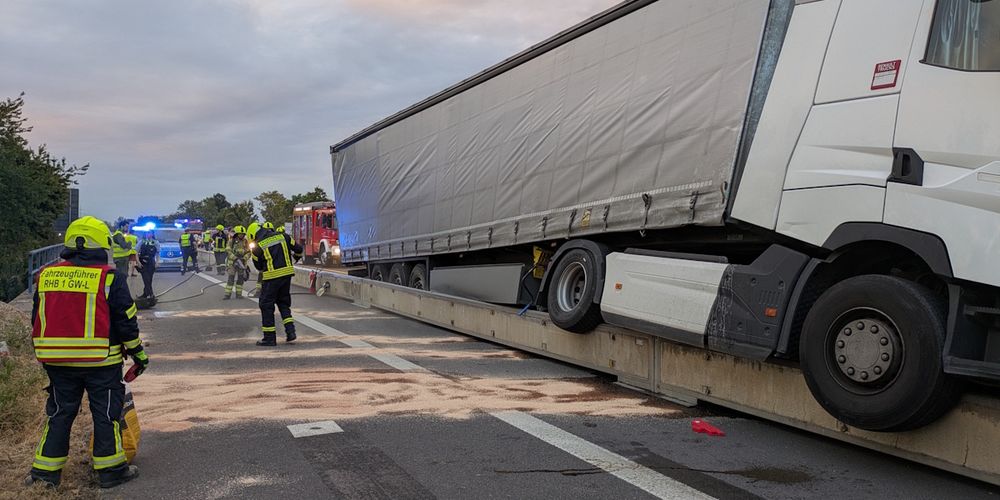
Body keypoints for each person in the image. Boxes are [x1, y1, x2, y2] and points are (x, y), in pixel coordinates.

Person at [25, 216, 148, 490]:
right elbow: (126, 322)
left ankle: (45, 475)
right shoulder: (109, 278)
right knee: (105, 414)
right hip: (100, 362)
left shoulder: (46, 276)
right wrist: (139, 355)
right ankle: (111, 471)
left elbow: (37, 318)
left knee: (59, 414)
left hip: (57, 362)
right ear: (100, 245)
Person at [248, 222, 303, 346]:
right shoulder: (284, 236)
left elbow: (259, 267)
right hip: (287, 275)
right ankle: (291, 332)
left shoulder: (257, 247)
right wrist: (295, 258)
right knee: (283, 303)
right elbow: (299, 249)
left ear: (252, 235)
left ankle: (269, 338)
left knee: (266, 305)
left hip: (272, 277)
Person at [224, 225, 251, 300]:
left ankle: (239, 294)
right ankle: (227, 295)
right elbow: (228, 250)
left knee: (240, 279)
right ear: (237, 234)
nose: (241, 235)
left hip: (241, 263)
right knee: (231, 278)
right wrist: (235, 258)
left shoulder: (245, 242)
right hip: (232, 263)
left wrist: (244, 258)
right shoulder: (231, 241)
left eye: (242, 234)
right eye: (240, 234)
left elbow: (249, 252)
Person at [136, 231, 159, 300]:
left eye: (150, 233)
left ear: (152, 234)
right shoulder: (141, 242)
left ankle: (145, 294)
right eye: (147, 233)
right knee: (146, 279)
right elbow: (136, 253)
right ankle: (151, 294)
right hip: (143, 263)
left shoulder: (155, 242)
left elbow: (158, 253)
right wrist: (138, 262)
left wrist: (157, 262)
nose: (148, 234)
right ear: (145, 234)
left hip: (151, 263)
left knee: (149, 280)